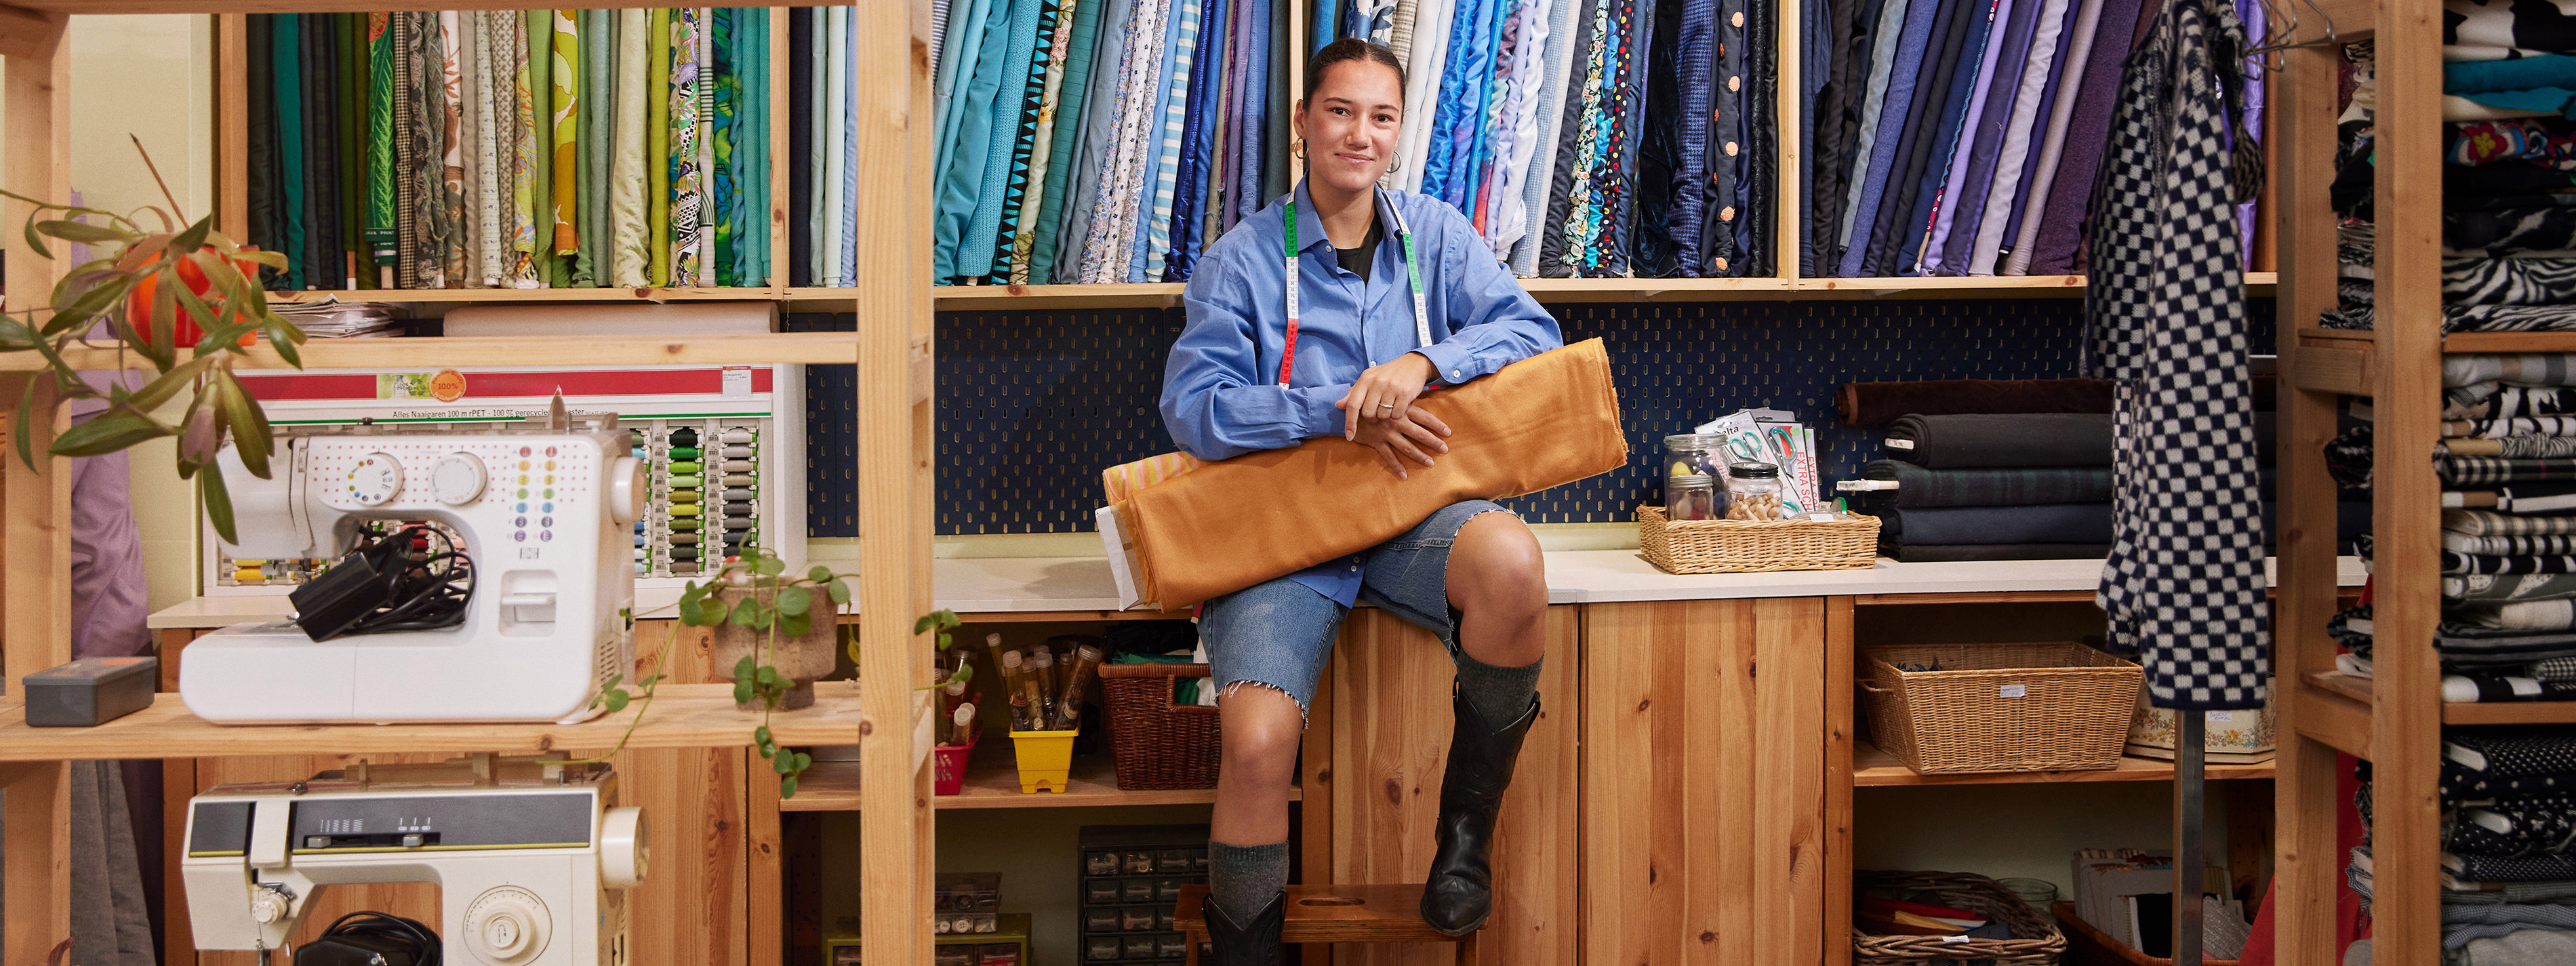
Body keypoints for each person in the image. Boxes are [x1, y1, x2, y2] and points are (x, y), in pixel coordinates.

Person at [1158, 37, 1563, 965]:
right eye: (1340, 111)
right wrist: (1334, 411)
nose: (1360, 134)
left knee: (1512, 563)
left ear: (1398, 131)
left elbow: (1532, 331)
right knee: (1256, 745)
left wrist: (1427, 362)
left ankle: (1464, 845)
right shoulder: (1239, 261)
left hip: (1415, 518)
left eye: (1381, 117)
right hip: (1284, 538)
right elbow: (1195, 409)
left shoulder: (1436, 235)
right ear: (1304, 122)